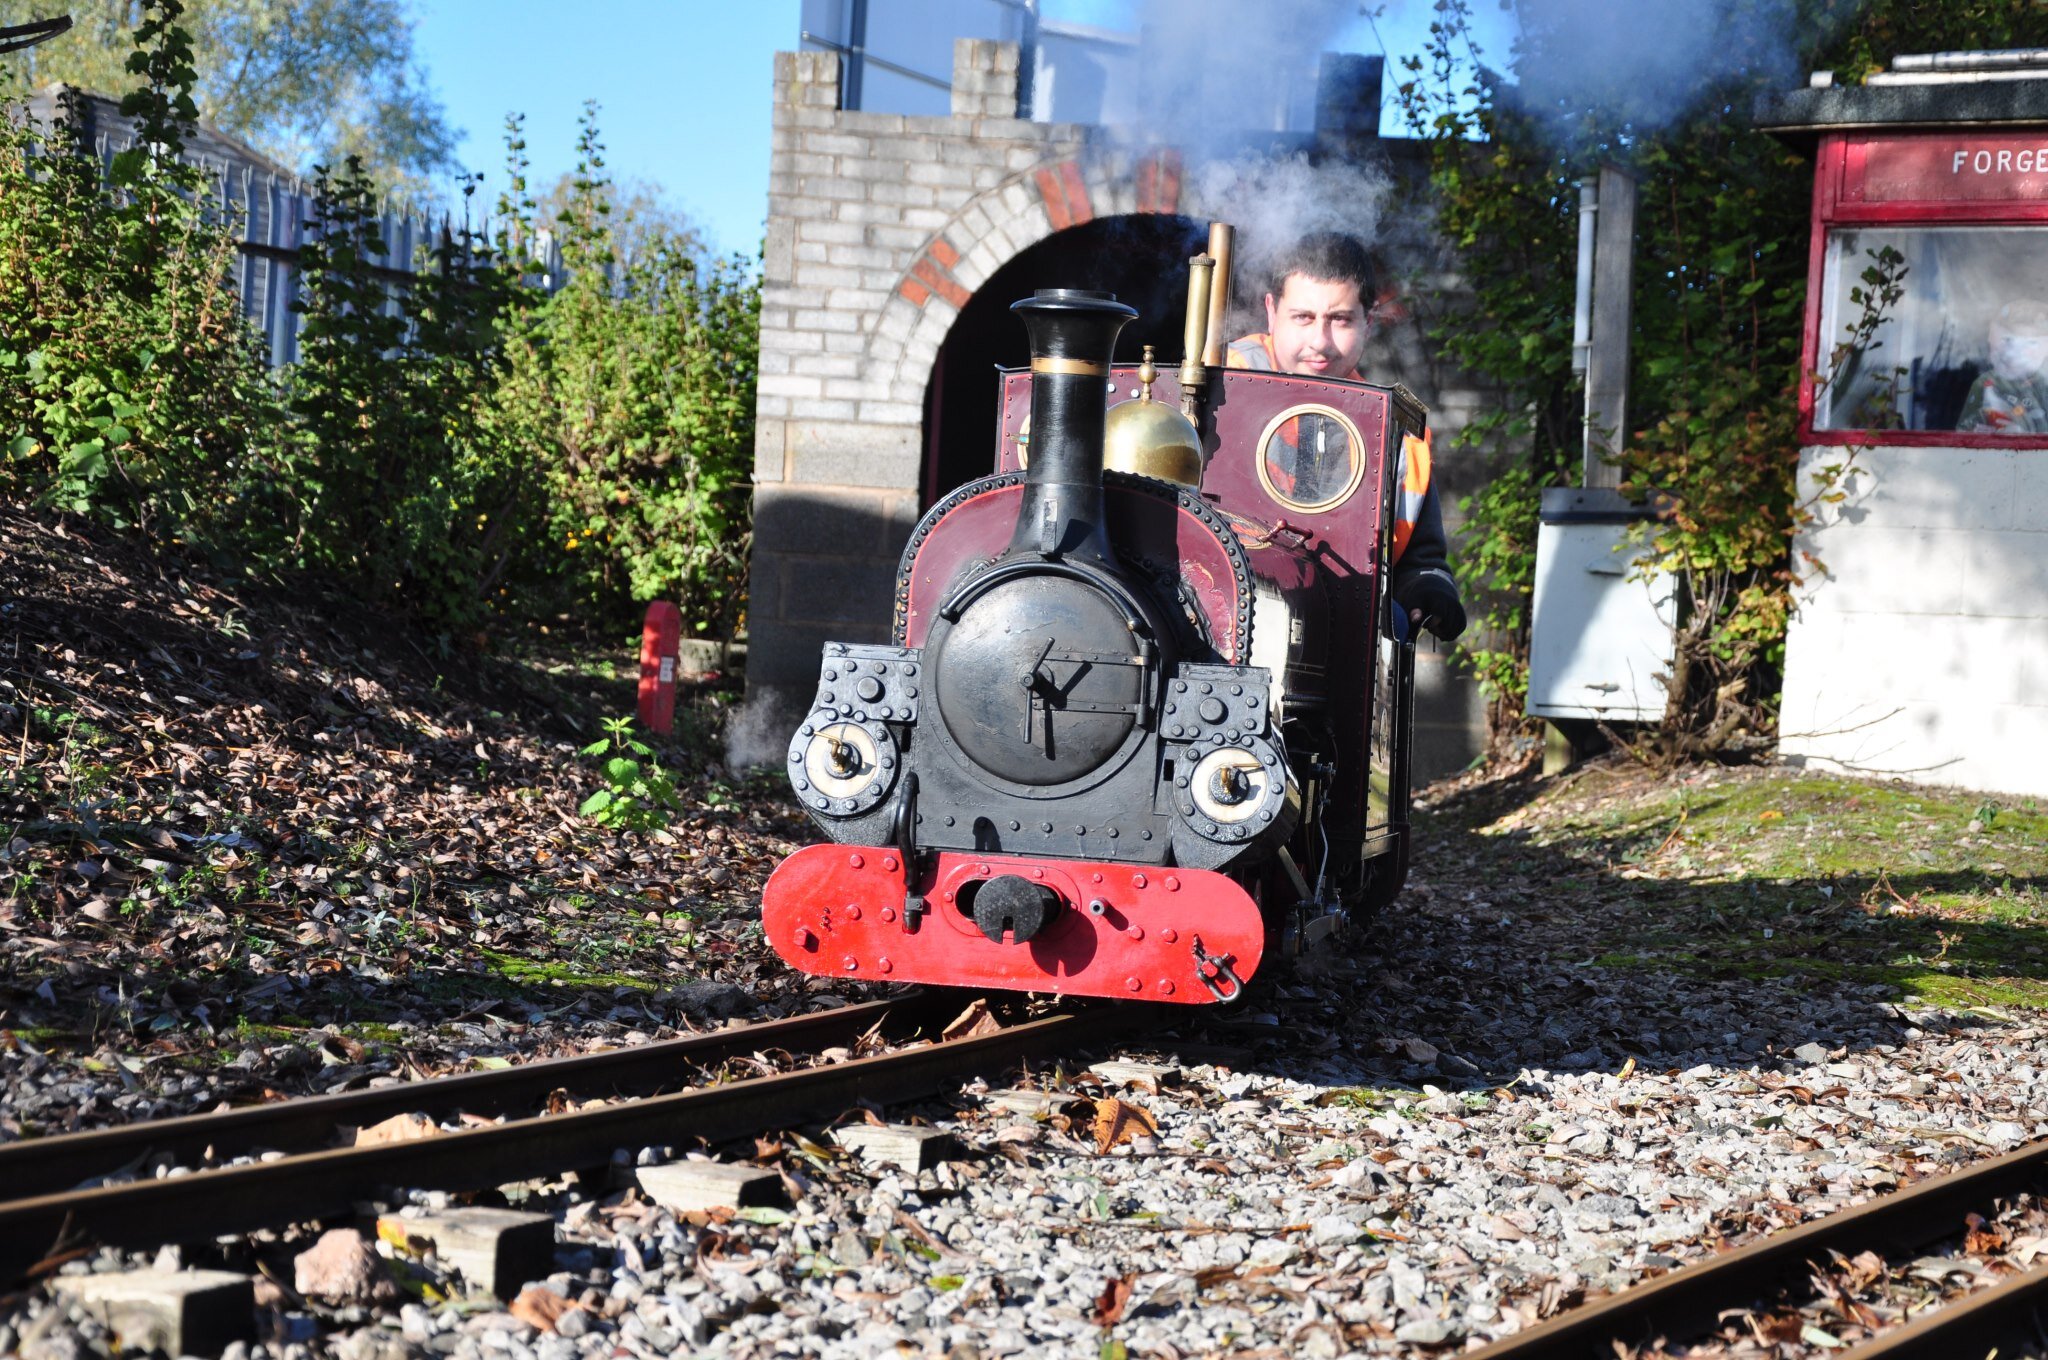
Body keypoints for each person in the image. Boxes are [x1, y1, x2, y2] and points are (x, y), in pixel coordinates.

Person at [1225, 232, 1466, 641]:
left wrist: (1429, 587)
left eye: (1340, 320)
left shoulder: (1398, 437)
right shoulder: (1214, 390)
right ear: (1271, 311)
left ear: (1368, 322)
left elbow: (1421, 561)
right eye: (1303, 317)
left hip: (1342, 638)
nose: (1320, 342)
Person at [1958, 299, 2048, 434]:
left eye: (2031, 343)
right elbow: (1962, 432)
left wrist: (2024, 437)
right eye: (2008, 340)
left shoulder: (2044, 385)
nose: (2016, 351)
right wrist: (1977, 432)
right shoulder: (1984, 383)